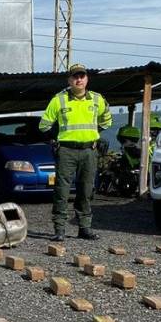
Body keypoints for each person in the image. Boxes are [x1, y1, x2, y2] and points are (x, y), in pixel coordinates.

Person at [39, 63, 113, 241]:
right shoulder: (59, 100)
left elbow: (107, 120)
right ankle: (59, 229)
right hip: (66, 151)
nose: (78, 79)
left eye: (82, 76)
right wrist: (57, 138)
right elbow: (43, 125)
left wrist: (93, 135)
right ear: (69, 80)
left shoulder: (97, 99)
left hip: (89, 151)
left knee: (86, 190)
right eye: (75, 76)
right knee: (62, 191)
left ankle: (84, 228)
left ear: (87, 78)